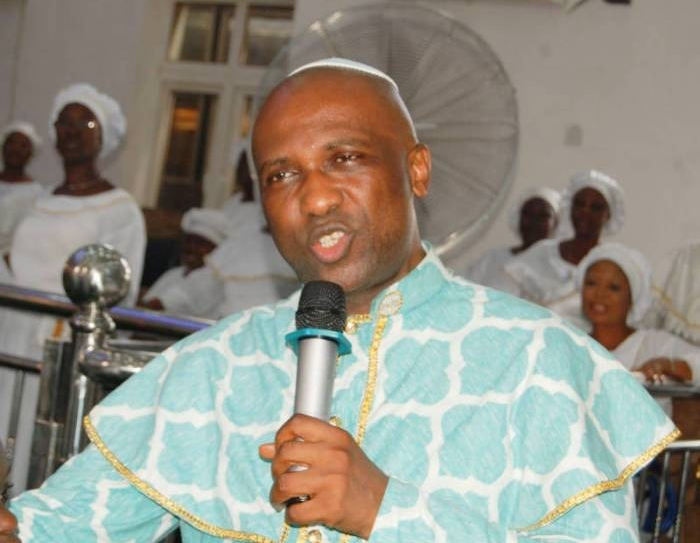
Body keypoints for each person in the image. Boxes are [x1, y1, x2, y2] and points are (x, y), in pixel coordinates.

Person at [0, 59, 677, 542]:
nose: (315, 197)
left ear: (416, 169)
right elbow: (62, 524)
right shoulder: (212, 367)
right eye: (281, 174)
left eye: (345, 157)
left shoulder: (541, 364)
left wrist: (385, 510)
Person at [0, 83, 146, 495]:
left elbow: (121, 289)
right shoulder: (40, 200)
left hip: (64, 342)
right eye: (64, 122)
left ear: (104, 137)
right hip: (11, 333)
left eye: (85, 123)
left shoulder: (119, 207)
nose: (72, 131)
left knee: (38, 444)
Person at [576, 242, 700, 415]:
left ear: (633, 296)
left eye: (614, 287)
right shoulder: (571, 344)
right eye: (591, 283)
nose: (599, 294)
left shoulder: (655, 344)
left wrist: (669, 366)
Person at [506, 169, 624, 328]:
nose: (585, 212)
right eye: (580, 204)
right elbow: (511, 300)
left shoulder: (612, 265)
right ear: (570, 207)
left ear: (608, 215)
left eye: (596, 207)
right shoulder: (542, 253)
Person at [459, 186, 560, 294]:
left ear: (556, 223)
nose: (533, 221)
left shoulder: (559, 269)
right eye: (527, 213)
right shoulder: (492, 258)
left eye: (543, 216)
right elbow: (461, 291)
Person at [141, 207, 229, 319]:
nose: (191, 247)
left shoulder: (211, 278)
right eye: (188, 241)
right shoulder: (174, 273)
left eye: (200, 243)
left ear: (217, 249)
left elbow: (155, 306)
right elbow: (145, 305)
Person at [0, 122, 44, 281]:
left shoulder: (37, 194)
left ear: (31, 153)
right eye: (11, 143)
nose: (15, 149)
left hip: (12, 271)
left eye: (23, 145)